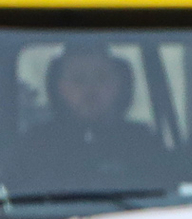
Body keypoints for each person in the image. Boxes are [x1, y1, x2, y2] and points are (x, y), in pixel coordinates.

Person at [14, 46, 163, 180]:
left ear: (119, 84)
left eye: (101, 78)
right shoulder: (36, 146)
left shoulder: (141, 142)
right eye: (78, 80)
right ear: (60, 87)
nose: (91, 89)